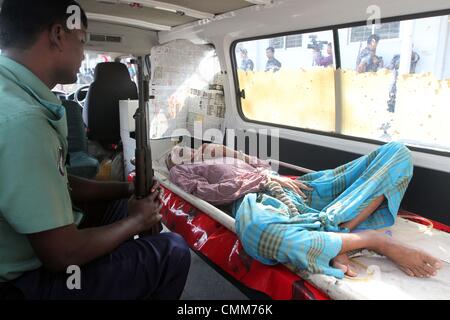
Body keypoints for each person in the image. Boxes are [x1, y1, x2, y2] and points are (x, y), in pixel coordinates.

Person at [0, 0, 190, 300]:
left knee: (119, 207)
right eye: (82, 41)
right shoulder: (24, 121)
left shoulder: (13, 95)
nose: (83, 53)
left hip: (31, 250)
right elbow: (62, 255)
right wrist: (137, 222)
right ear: (58, 35)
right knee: (174, 250)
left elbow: (61, 184)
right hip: (25, 282)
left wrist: (127, 190)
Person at [167, 143, 442, 279]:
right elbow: (211, 194)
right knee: (258, 235)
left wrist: (226, 152)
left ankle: (341, 230)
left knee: (398, 153)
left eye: (184, 148)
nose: (183, 152)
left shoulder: (213, 151)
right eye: (176, 153)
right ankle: (374, 241)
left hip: (298, 187)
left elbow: (261, 163)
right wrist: (261, 180)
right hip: (257, 198)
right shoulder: (182, 171)